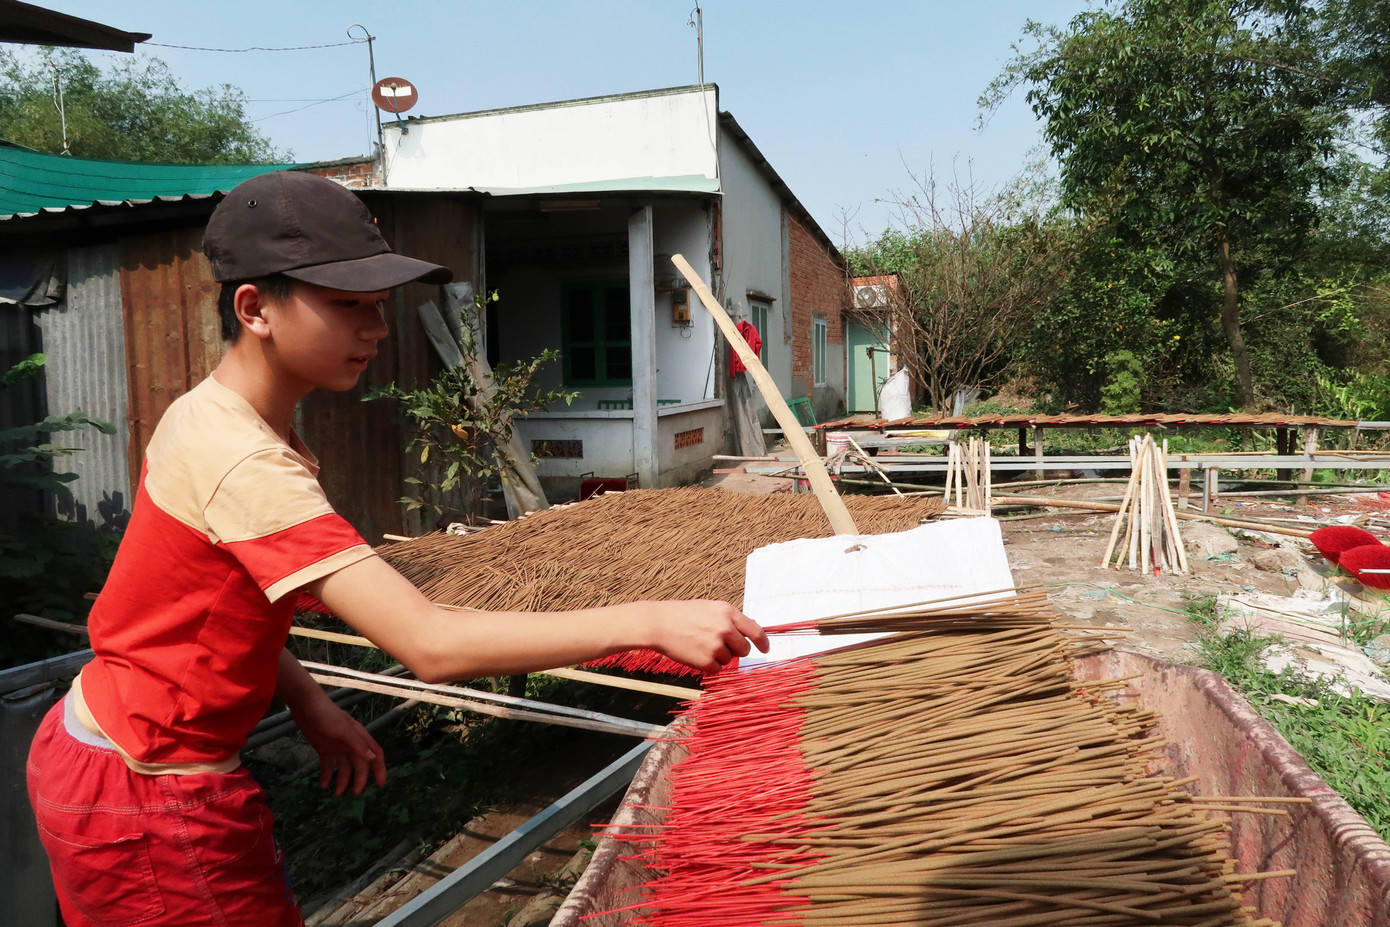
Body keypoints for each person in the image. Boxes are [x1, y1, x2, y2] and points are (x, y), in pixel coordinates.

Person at [26, 170, 768, 927]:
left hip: (112, 745)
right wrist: (648, 620)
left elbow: (220, 601)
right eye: (347, 306)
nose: (375, 329)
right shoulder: (245, 460)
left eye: (378, 307)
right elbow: (430, 643)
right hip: (148, 790)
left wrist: (309, 700)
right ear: (254, 308)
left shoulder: (213, 415)